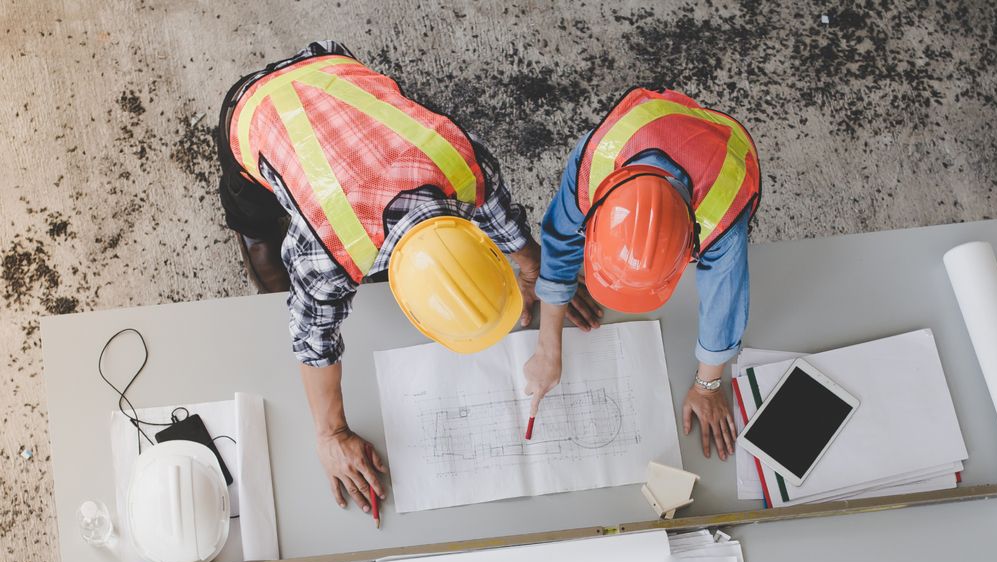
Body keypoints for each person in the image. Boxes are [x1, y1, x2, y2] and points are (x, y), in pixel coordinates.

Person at [217, 41, 590, 515]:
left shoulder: (459, 159)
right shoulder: (328, 252)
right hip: (255, 109)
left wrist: (534, 269)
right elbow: (313, 339)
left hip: (333, 69)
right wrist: (330, 434)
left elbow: (494, 205)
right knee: (253, 211)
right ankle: (252, 232)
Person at [524, 87, 761, 461]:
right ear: (596, 215)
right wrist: (547, 345)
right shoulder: (595, 161)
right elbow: (561, 236)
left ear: (689, 250)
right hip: (647, 128)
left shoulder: (724, 209)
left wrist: (708, 385)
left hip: (715, 148)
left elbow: (724, 301)